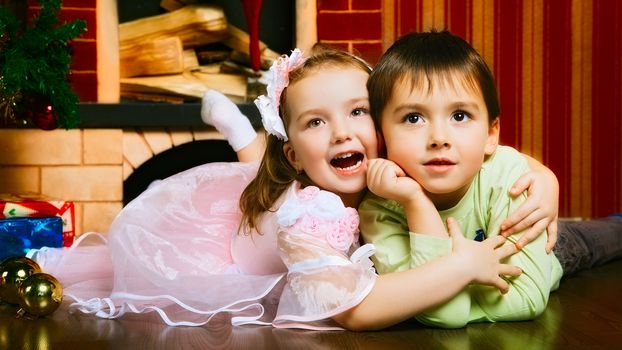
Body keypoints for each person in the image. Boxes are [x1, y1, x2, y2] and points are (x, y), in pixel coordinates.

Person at [30, 45, 554, 331]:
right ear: (296, 149)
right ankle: (243, 135)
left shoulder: (406, 159)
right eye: (315, 123)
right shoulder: (308, 218)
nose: (344, 131)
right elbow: (358, 310)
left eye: (358, 112)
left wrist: (545, 181)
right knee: (260, 182)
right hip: (226, 249)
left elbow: (481, 153)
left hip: (278, 182)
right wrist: (461, 265)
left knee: (258, 175)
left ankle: (241, 134)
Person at [359, 30, 622, 328]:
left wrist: (451, 289)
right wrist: (415, 201)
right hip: (508, 265)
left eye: (459, 116)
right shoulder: (379, 210)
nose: (439, 138)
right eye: (413, 118)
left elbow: (529, 297)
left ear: (491, 134)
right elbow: (445, 314)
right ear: (382, 138)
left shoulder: (507, 174)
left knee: (608, 236)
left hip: (551, 247)